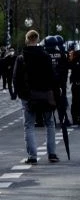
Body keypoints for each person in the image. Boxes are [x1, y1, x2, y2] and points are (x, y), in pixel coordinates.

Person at [11, 29, 60, 164]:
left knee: (29, 125)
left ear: (27, 40)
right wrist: (55, 94)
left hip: (28, 96)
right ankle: (52, 153)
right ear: (38, 40)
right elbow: (52, 76)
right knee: (50, 124)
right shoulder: (45, 56)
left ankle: (32, 156)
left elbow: (16, 78)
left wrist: (21, 94)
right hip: (45, 94)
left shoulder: (21, 58)